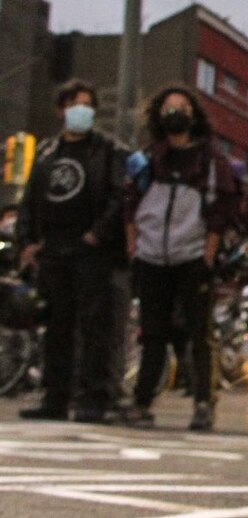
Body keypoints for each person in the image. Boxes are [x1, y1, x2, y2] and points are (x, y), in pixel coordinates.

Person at [123, 86, 243, 431]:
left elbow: (222, 208)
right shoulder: (147, 159)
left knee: (198, 333)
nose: (175, 112)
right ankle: (142, 401)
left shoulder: (209, 161)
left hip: (191, 258)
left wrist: (208, 253)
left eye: (183, 106)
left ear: (194, 115)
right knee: (152, 333)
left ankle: (204, 403)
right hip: (151, 258)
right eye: (169, 107)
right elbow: (130, 205)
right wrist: (134, 246)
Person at [15, 79, 128, 423]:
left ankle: (94, 398)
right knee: (57, 327)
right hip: (54, 251)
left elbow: (119, 195)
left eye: (88, 104)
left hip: (91, 252)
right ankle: (55, 397)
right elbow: (30, 201)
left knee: (95, 326)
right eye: (76, 104)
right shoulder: (47, 153)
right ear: (62, 109)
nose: (83, 110)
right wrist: (28, 241)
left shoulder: (107, 150)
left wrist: (98, 234)